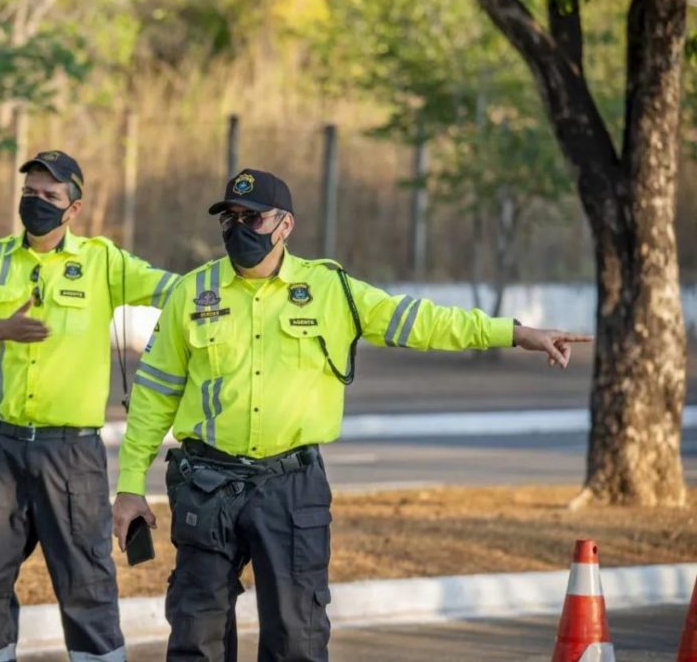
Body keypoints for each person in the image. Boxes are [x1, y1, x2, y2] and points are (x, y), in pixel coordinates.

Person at [111, 168, 592, 661]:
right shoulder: (192, 293)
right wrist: (129, 486)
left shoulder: (330, 289)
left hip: (290, 488)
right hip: (207, 485)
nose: (238, 229)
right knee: (194, 637)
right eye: (229, 218)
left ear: (285, 226)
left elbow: (420, 321)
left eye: (252, 219)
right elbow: (153, 395)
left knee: (297, 640)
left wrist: (513, 332)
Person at [0, 150, 180, 662]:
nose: (37, 203)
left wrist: (226, 294)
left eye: (51, 196)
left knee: (85, 585)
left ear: (73, 209)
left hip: (71, 457)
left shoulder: (103, 261)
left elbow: (171, 289)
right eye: (30, 194)